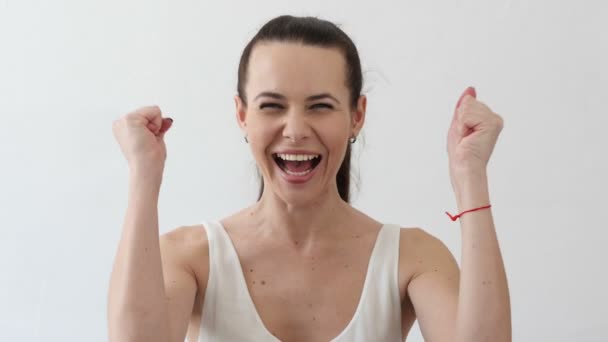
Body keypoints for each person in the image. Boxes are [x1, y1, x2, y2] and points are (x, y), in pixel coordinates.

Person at [108, 15, 511, 342]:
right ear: (241, 114)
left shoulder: (413, 257)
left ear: (357, 115)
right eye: (272, 106)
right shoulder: (191, 256)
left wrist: (469, 175)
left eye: (320, 106)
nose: (296, 129)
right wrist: (144, 176)